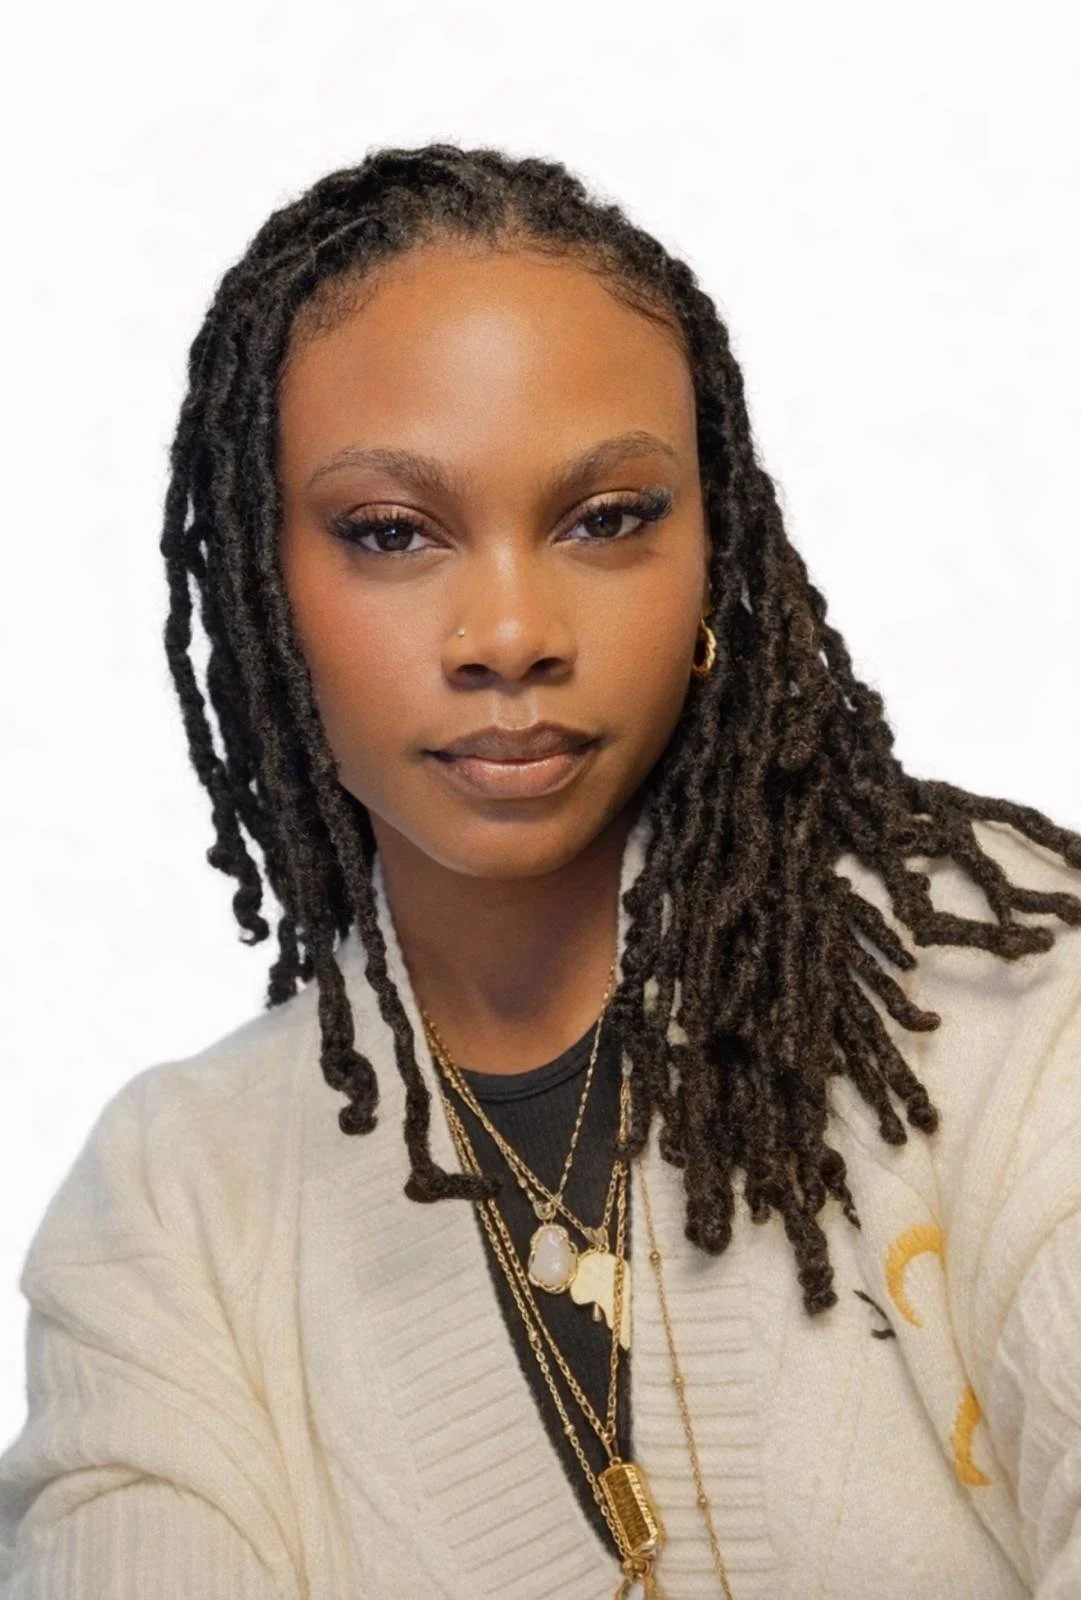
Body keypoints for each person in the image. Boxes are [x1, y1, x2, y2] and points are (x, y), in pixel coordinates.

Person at [1, 141, 1078, 1600]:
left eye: (606, 520)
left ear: (719, 557)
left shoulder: (1013, 1003)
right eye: (391, 533)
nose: (509, 631)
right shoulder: (176, 1207)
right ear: (265, 589)